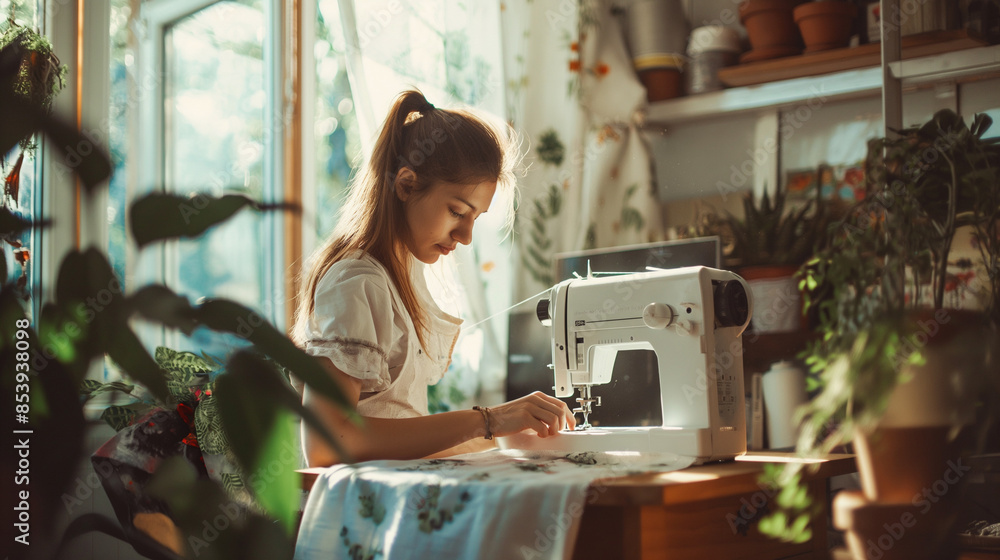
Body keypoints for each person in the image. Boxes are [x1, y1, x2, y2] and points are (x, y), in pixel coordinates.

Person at [293, 90, 575, 467]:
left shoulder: (398, 279)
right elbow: (326, 444)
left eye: (475, 218)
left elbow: (403, 436)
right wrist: (488, 420)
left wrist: (502, 438)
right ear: (406, 185)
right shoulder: (356, 283)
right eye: (458, 211)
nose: (466, 237)